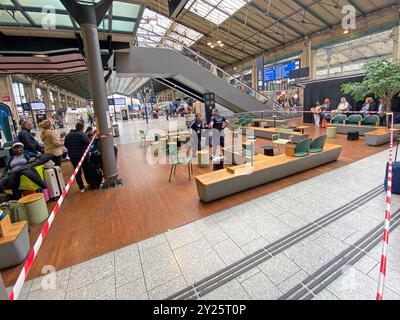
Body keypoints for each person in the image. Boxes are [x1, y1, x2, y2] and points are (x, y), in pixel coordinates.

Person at [64, 122, 90, 192]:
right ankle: (89, 183)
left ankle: (81, 188)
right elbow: (88, 142)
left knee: (77, 172)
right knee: (86, 170)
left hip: (72, 156)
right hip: (82, 155)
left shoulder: (68, 135)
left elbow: (65, 145)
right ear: (82, 128)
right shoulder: (82, 135)